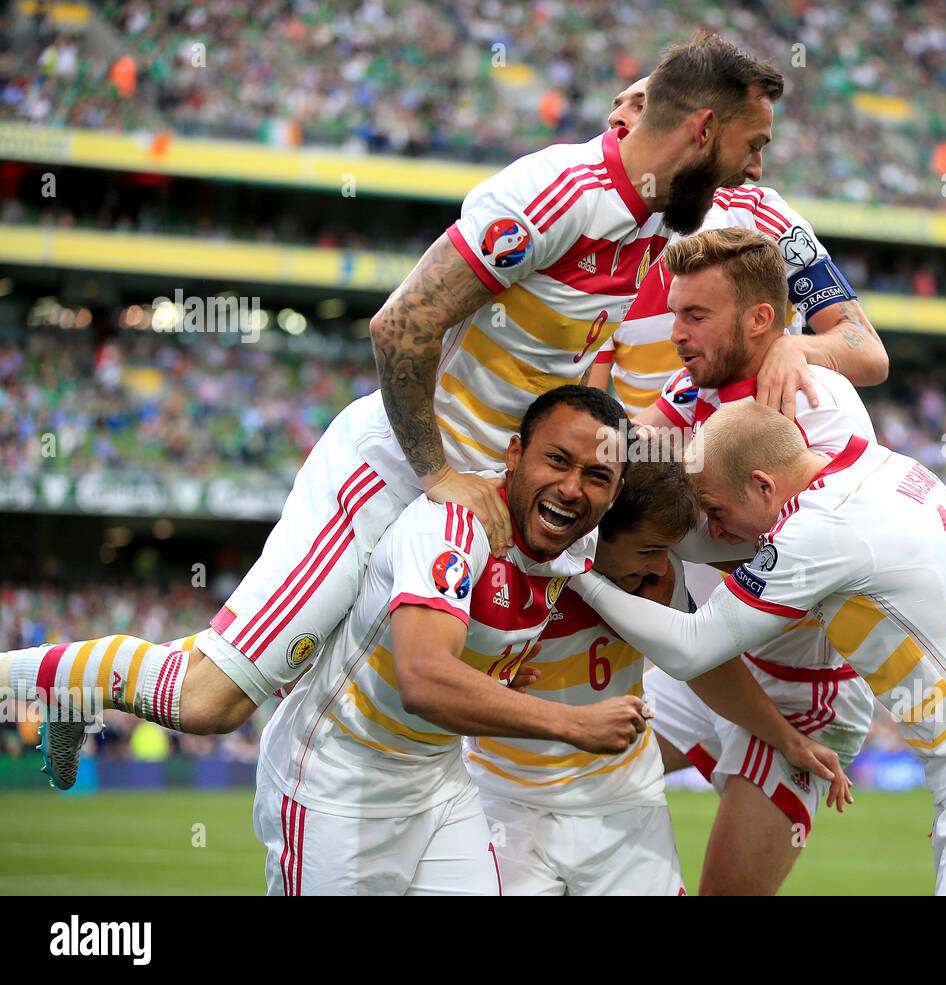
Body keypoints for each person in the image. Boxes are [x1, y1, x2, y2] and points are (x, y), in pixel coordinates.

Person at [4, 34, 789, 789]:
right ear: (703, 130)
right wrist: (440, 473)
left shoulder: (659, 206)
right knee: (212, 699)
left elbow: (662, 101)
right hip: (398, 476)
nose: (755, 170)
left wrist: (795, 344)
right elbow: (400, 325)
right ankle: (42, 678)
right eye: (750, 145)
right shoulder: (554, 200)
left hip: (493, 492)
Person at [572, 402, 946, 895]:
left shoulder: (821, 528)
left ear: (761, 485)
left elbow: (690, 650)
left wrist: (575, 569)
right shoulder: (878, 468)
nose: (715, 529)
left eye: (714, 509)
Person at [254, 386, 647, 895]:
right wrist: (573, 724)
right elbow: (423, 681)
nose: (572, 488)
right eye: (556, 460)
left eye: (596, 477)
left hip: (438, 778)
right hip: (340, 779)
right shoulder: (453, 527)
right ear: (514, 455)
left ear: (613, 495)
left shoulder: (575, 539)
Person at [612, 227, 877, 894]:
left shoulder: (822, 409)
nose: (675, 331)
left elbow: (761, 545)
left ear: (762, 319)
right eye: (675, 313)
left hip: (803, 692)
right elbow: (624, 455)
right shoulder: (691, 388)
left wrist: (648, 534)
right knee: (574, 775)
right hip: (714, 662)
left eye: (695, 315)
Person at [467, 456, 849, 895]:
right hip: (508, 807)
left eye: (668, 551)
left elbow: (701, 666)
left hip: (627, 809)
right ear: (598, 527)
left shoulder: (654, 580)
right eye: (649, 549)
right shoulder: (506, 564)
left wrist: (788, 740)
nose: (661, 566)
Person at [589, 76, 888, 416]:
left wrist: (797, 347)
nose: (615, 117)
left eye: (640, 106)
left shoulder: (759, 216)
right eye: (616, 106)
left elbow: (869, 354)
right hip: (653, 456)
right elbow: (588, 397)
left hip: (758, 451)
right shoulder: (600, 234)